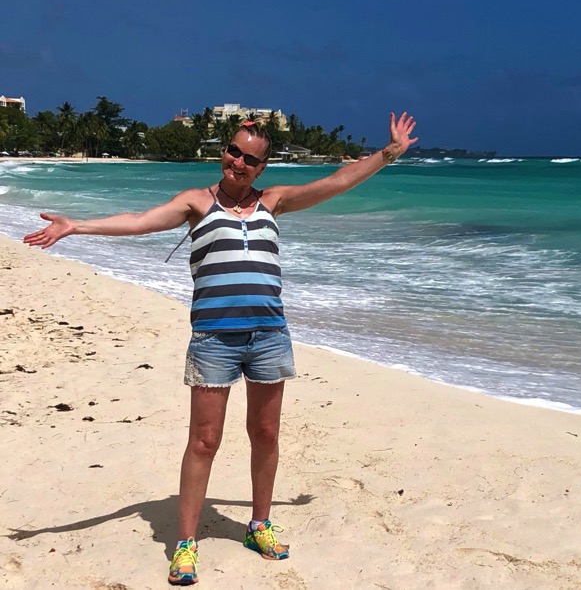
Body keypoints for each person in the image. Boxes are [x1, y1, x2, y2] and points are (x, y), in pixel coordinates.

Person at [23, 111, 417, 586]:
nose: (239, 162)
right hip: (214, 339)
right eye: (234, 151)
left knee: (266, 434)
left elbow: (336, 181)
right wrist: (76, 227)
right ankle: (186, 543)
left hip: (269, 335)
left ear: (262, 167)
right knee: (204, 441)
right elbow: (139, 220)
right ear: (223, 152)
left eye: (250, 159)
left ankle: (260, 525)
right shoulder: (196, 203)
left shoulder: (274, 202)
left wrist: (388, 153)